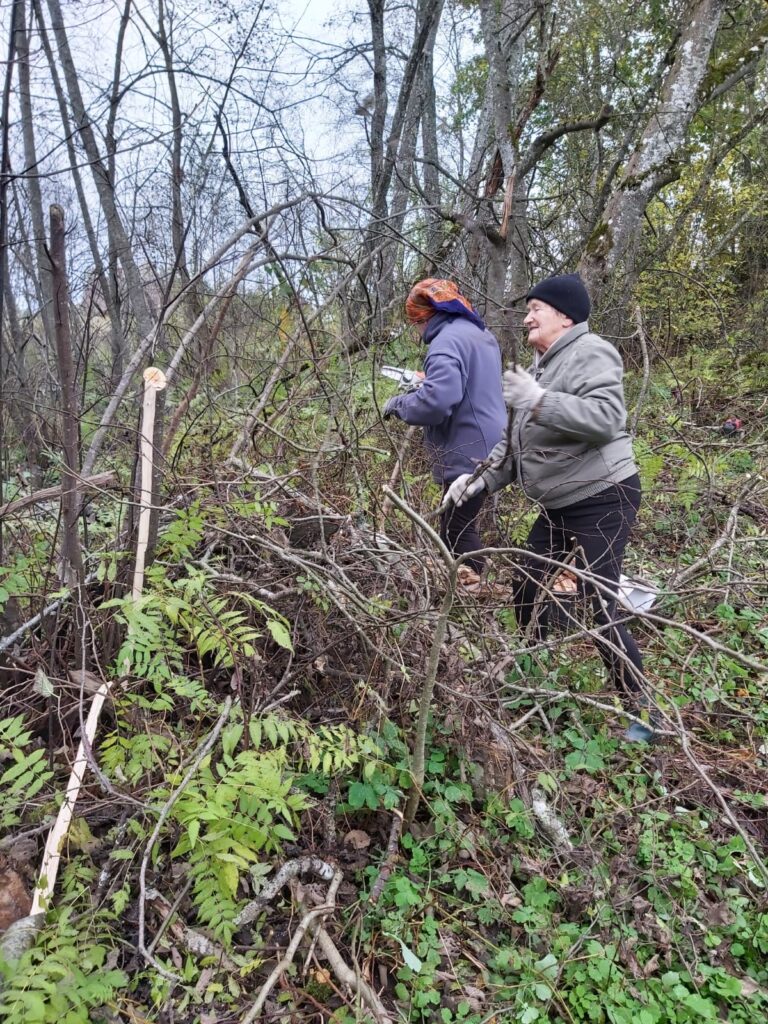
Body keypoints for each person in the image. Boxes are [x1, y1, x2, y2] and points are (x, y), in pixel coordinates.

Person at [445, 273, 655, 741]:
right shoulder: (541, 367)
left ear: (564, 315)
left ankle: (643, 712)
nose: (526, 318)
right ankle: (534, 675)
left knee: (602, 603)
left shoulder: (591, 352)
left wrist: (540, 401)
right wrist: (473, 483)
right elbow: (511, 451)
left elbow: (606, 418)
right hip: (559, 504)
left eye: (535, 309)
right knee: (526, 585)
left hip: (603, 496)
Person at [383, 279, 506, 580]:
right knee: (458, 526)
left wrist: (399, 403)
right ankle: (471, 588)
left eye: (415, 324)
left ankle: (477, 595)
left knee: (456, 533)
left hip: (468, 449)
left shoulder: (445, 342)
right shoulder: (479, 333)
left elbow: (437, 403)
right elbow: (467, 386)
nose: (417, 332)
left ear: (423, 318)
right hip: (491, 442)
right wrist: (428, 382)